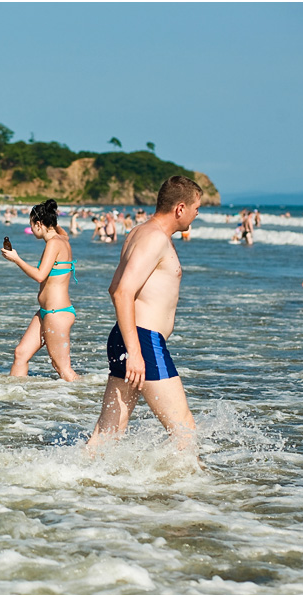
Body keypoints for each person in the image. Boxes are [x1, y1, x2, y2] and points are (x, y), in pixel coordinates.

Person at [86, 175, 203, 452]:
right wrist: (136, 352)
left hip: (128, 336)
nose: (197, 214)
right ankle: (197, 493)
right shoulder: (154, 239)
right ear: (180, 208)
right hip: (143, 341)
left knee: (107, 435)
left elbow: (113, 286)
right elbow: (122, 292)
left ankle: (78, 483)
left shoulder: (139, 232)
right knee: (184, 431)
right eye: (196, 208)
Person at [1, 199, 79, 382]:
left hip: (56, 312)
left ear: (38, 224)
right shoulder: (63, 238)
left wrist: (16, 259)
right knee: (21, 353)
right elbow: (60, 230)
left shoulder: (54, 243)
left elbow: (39, 276)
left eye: (31, 224)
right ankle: (14, 400)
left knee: (63, 370)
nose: (31, 229)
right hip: (46, 312)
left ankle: (90, 401)